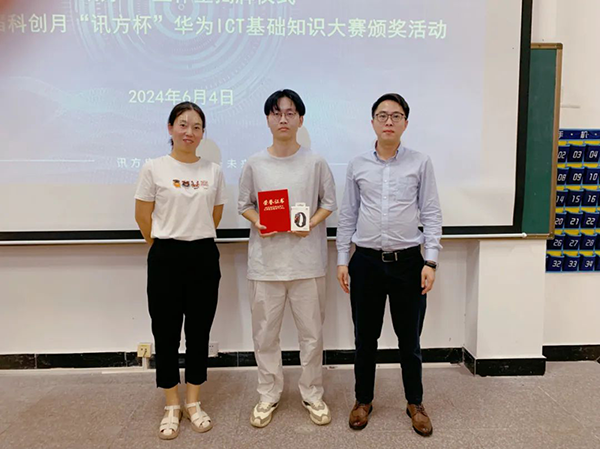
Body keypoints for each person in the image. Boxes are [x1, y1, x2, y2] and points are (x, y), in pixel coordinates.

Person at [336, 93, 442, 436]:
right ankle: (363, 400)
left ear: (405, 124)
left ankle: (415, 403)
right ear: (372, 122)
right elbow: (348, 214)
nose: (388, 122)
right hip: (365, 262)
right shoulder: (357, 165)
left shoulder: (420, 163)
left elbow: (431, 213)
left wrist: (431, 261)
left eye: (396, 116)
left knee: (409, 340)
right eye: (382, 116)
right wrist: (342, 260)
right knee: (364, 338)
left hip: (408, 263)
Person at [238, 89, 337, 427]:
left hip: (307, 264)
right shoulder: (254, 163)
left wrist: (311, 222)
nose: (283, 119)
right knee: (265, 336)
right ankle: (268, 393)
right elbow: (244, 204)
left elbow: (329, 202)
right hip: (265, 265)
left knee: (312, 336)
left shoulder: (315, 162)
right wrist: (258, 222)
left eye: (290, 113)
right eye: (277, 113)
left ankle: (312, 393)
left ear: (300, 119)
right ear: (268, 119)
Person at [134, 101, 227, 440]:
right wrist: (165, 244)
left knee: (199, 333)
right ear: (170, 128)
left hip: (203, 255)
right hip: (166, 256)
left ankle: (193, 401)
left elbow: (214, 215)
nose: (190, 132)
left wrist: (192, 237)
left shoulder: (213, 171)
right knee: (166, 333)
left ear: (203, 133)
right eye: (183, 124)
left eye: (197, 126)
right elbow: (143, 216)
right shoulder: (154, 168)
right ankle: (171, 404)